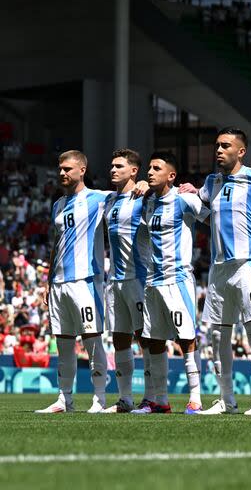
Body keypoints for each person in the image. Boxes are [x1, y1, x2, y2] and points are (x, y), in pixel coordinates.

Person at [187, 128, 251, 415]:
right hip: (218, 268)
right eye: (217, 146)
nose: (219, 151)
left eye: (226, 146)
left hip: (247, 264)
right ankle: (227, 400)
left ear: (241, 151)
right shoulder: (211, 182)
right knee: (217, 335)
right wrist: (187, 190)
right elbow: (201, 203)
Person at [36, 150, 115, 413]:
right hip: (59, 282)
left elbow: (127, 193)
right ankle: (64, 399)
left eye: (68, 169)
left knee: (92, 339)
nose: (62, 173)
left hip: (86, 281)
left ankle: (99, 398)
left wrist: (138, 184)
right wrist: (48, 280)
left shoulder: (99, 198)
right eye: (60, 169)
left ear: (82, 170)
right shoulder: (58, 204)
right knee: (64, 342)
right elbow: (56, 244)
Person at [134, 152, 210, 414]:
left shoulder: (184, 200)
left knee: (186, 338)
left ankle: (196, 398)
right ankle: (160, 400)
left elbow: (212, 218)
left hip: (177, 281)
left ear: (172, 175)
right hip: (152, 282)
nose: (150, 172)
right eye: (149, 168)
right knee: (154, 340)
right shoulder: (148, 203)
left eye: (157, 168)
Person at [102, 149, 152, 413]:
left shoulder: (143, 197)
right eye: (111, 165)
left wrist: (148, 185)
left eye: (119, 166)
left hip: (138, 278)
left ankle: (152, 397)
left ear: (134, 170)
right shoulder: (109, 200)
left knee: (145, 338)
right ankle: (125, 399)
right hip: (114, 282)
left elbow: (168, 193)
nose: (113, 170)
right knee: (119, 338)